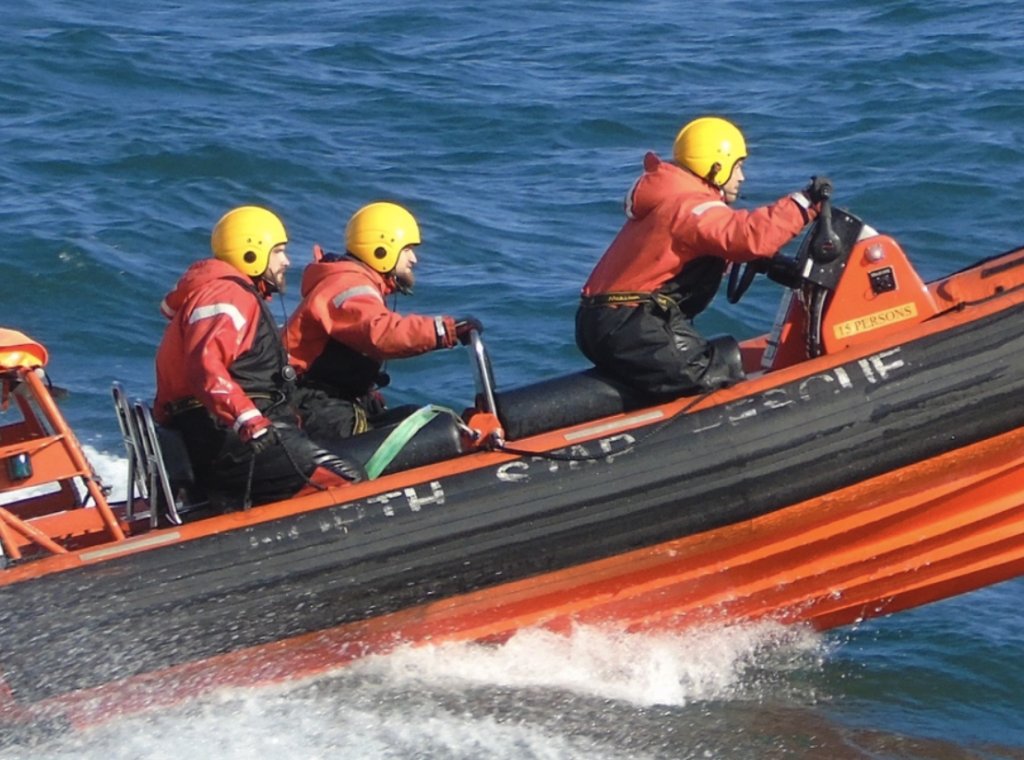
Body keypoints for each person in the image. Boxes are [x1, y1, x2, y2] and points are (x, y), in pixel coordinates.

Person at [575, 115, 831, 397]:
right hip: (631, 326)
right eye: (738, 166)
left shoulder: (674, 201)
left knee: (711, 363)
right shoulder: (690, 207)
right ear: (716, 166)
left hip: (606, 322)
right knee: (712, 378)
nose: (742, 177)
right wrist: (804, 204)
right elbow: (746, 236)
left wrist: (769, 263)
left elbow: (708, 244)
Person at [154, 205, 364, 509]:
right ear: (251, 254)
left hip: (213, 437)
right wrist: (249, 421)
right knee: (344, 479)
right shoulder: (229, 295)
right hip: (229, 439)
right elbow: (205, 366)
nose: (286, 261)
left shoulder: (214, 295)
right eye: (278, 251)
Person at [284, 201, 481, 439]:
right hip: (315, 407)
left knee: (426, 421)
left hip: (328, 401)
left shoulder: (351, 282)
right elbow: (381, 333)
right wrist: (445, 331)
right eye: (407, 250)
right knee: (427, 433)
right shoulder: (347, 285)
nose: (413, 259)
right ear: (382, 249)